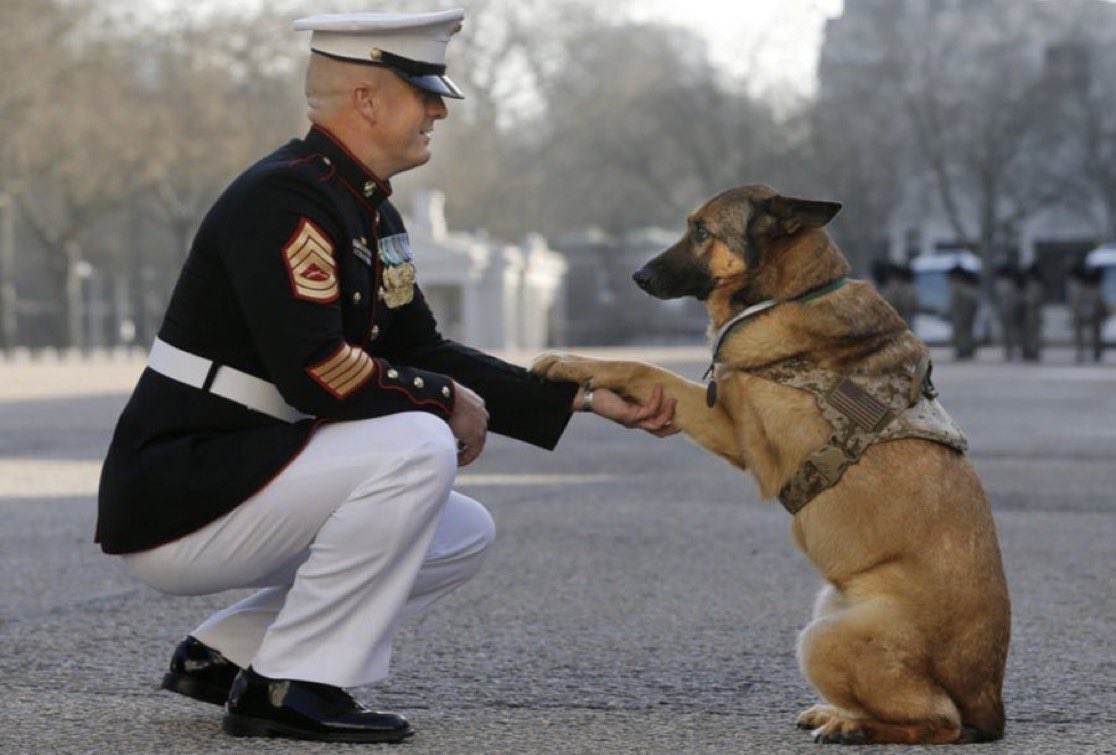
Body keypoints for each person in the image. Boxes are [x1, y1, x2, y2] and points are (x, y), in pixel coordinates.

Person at [96, 9, 676, 745]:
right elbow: (315, 371)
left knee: (460, 531)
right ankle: (290, 686)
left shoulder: (363, 206)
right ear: (366, 101)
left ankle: (227, 655)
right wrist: (443, 403)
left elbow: (422, 346)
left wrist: (584, 396)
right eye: (422, 90)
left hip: (245, 473)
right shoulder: (286, 200)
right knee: (415, 445)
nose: (439, 107)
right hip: (182, 492)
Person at [1069, 260, 1107, 363]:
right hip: (1090, 295)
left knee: (1087, 330)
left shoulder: (1087, 279)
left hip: (1086, 295)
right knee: (1094, 330)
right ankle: (1092, 351)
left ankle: (1085, 351)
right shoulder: (1095, 279)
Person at [947, 264, 980, 360]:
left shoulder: (957, 287)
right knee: (968, 332)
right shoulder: (969, 288)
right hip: (968, 314)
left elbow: (954, 302)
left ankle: (962, 350)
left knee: (961, 333)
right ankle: (968, 350)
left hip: (960, 314)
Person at [993, 261, 1022, 361]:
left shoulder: (1000, 284)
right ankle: (1011, 349)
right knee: (1012, 332)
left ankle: (1009, 350)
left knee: (1007, 332)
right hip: (1012, 311)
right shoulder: (1013, 285)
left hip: (1005, 311)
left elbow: (1000, 300)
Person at [1020, 262, 1044, 362]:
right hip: (1032, 313)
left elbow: (1032, 300)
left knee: (1032, 334)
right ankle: (1031, 351)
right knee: (1032, 334)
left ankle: (1032, 351)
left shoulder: (1033, 285)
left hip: (1032, 313)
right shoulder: (1038, 284)